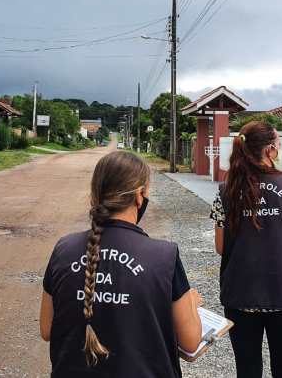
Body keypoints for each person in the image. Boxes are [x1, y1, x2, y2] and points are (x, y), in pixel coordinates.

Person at [40, 151, 203, 377]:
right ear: (139, 196)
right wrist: (192, 305)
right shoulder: (164, 256)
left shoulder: (63, 249)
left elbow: (47, 329)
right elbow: (191, 343)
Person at [209, 121, 282, 378]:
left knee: (247, 372)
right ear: (270, 150)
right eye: (279, 144)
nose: (280, 149)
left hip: (241, 295)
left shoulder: (226, 191)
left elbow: (220, 247)